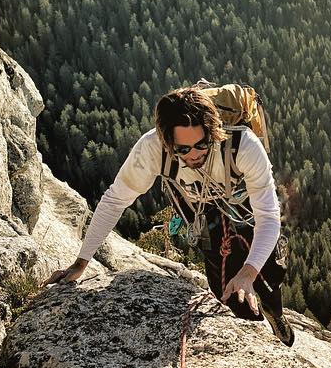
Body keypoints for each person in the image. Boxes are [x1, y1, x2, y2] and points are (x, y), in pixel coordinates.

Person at [46, 86, 294, 346]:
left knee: (267, 274)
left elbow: (267, 216)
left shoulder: (242, 145)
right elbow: (115, 200)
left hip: (244, 204)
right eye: (183, 149)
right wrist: (81, 262)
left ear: (213, 131)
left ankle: (275, 315)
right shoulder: (152, 149)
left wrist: (248, 272)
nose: (194, 154)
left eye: (202, 144)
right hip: (200, 207)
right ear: (167, 141)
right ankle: (255, 336)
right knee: (225, 288)